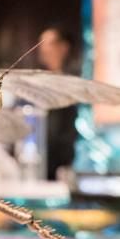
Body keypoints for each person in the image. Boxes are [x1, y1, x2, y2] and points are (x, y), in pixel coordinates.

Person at [37, 27, 79, 181]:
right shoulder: (39, 82)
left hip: (63, 162)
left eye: (47, 43)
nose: (42, 48)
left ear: (63, 47)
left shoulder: (73, 81)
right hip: (39, 158)